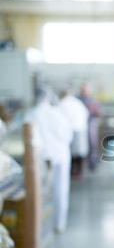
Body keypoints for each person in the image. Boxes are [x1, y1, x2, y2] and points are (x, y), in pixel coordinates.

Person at [24, 86, 73, 233]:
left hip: (41, 159)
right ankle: (59, 224)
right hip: (61, 156)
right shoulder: (57, 113)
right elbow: (67, 136)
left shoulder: (30, 114)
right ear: (48, 97)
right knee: (61, 190)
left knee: (39, 192)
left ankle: (39, 225)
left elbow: (26, 138)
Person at [58, 84, 89, 178]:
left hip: (70, 130)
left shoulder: (62, 103)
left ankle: (72, 172)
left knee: (70, 153)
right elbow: (86, 113)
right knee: (79, 153)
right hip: (80, 129)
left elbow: (59, 117)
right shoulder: (77, 102)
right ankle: (79, 172)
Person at [78, 81, 102, 171]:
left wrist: (93, 110)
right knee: (80, 145)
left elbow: (99, 113)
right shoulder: (78, 100)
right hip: (80, 125)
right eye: (83, 90)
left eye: (86, 90)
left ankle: (93, 163)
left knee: (92, 144)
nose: (84, 92)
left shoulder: (93, 100)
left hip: (91, 124)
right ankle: (80, 165)